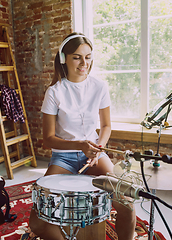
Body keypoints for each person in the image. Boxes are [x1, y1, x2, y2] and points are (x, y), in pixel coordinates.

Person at [28, 32, 136, 240]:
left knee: (126, 204)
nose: (83, 62)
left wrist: (99, 148)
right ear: (63, 59)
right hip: (63, 158)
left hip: (95, 154)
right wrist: (80, 145)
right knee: (38, 221)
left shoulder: (100, 87)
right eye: (77, 57)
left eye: (87, 57)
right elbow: (48, 139)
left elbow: (106, 126)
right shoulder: (54, 92)